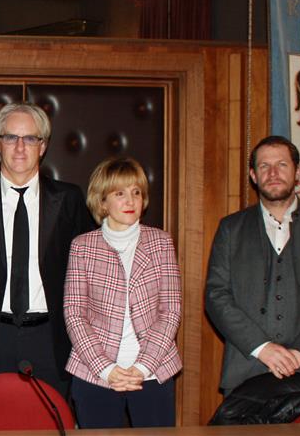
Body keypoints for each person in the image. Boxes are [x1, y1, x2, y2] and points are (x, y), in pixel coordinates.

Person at [0, 102, 96, 396]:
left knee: (53, 418)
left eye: (30, 138)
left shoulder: (68, 199)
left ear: (43, 146)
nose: (19, 147)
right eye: (10, 137)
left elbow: (90, 265)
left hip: (52, 337)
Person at [205, 135, 300, 395]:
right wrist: (263, 349)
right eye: (264, 166)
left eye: (282, 164)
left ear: (298, 172)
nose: (273, 173)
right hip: (245, 372)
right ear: (253, 175)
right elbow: (216, 296)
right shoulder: (230, 229)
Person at [63, 157, 182, 428]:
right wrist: (105, 368)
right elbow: (74, 314)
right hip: (94, 373)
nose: (130, 201)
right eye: (120, 193)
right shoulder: (82, 247)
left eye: (136, 192)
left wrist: (142, 368)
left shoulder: (161, 242)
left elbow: (171, 312)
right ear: (102, 201)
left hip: (153, 372)